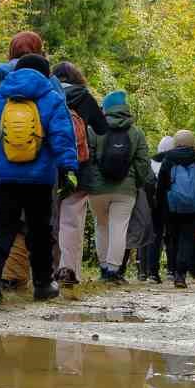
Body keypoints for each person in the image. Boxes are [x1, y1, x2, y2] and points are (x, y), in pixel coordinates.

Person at [0, 54, 79, 303]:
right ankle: (42, 284)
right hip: (40, 179)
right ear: (45, 75)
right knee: (40, 231)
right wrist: (67, 170)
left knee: (0, 228)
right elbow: (62, 137)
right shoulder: (52, 99)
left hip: (4, 177)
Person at [82, 91, 152, 281]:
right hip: (125, 189)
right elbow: (143, 163)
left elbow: (86, 158)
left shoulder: (93, 129)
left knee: (101, 225)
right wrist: (136, 183)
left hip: (97, 190)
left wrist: (90, 182)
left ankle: (103, 268)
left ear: (105, 108)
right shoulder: (136, 132)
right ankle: (114, 270)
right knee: (119, 227)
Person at [50, 61, 107, 286]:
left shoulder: (47, 93)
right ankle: (69, 272)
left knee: (48, 221)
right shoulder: (84, 96)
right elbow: (102, 129)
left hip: (50, 168)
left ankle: (46, 273)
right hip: (79, 167)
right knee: (71, 222)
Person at [156, 131, 195, 289]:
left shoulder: (168, 160)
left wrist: (161, 207)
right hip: (194, 209)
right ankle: (181, 275)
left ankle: (173, 271)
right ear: (193, 142)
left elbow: (161, 186)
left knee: (173, 239)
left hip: (172, 207)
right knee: (187, 240)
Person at [137, 136, 173, 281]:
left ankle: (142, 271)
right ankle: (160, 271)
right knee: (163, 236)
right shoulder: (173, 162)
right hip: (167, 203)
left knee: (144, 236)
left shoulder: (150, 162)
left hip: (148, 202)